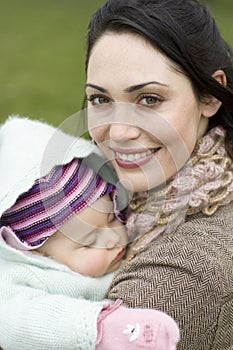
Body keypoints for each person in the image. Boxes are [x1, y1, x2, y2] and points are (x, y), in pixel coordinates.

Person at [84, 0, 233, 349]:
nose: (118, 132)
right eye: (100, 100)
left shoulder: (175, 279)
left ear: (210, 95)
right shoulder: (104, 195)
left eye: (149, 99)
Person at [0, 116, 180, 350]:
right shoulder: (17, 278)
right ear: (37, 253)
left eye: (112, 216)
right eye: (90, 241)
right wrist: (101, 327)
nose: (114, 237)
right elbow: (17, 320)